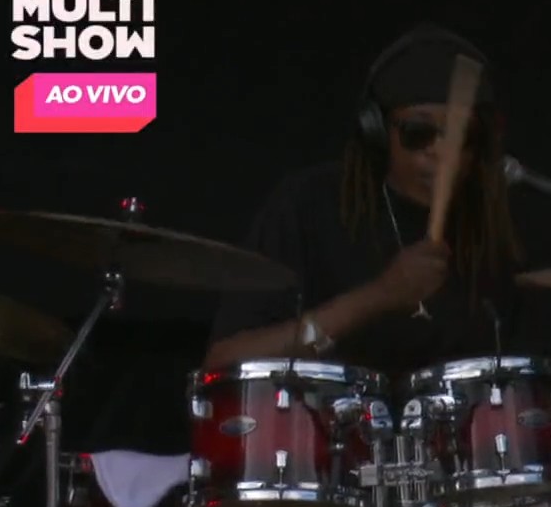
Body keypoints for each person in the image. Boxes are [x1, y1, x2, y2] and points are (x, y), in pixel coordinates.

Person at [203, 24, 524, 377]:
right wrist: (379, 296)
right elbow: (225, 361)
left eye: (461, 137)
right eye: (418, 133)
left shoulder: (488, 228)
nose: (440, 151)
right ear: (377, 131)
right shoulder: (308, 206)